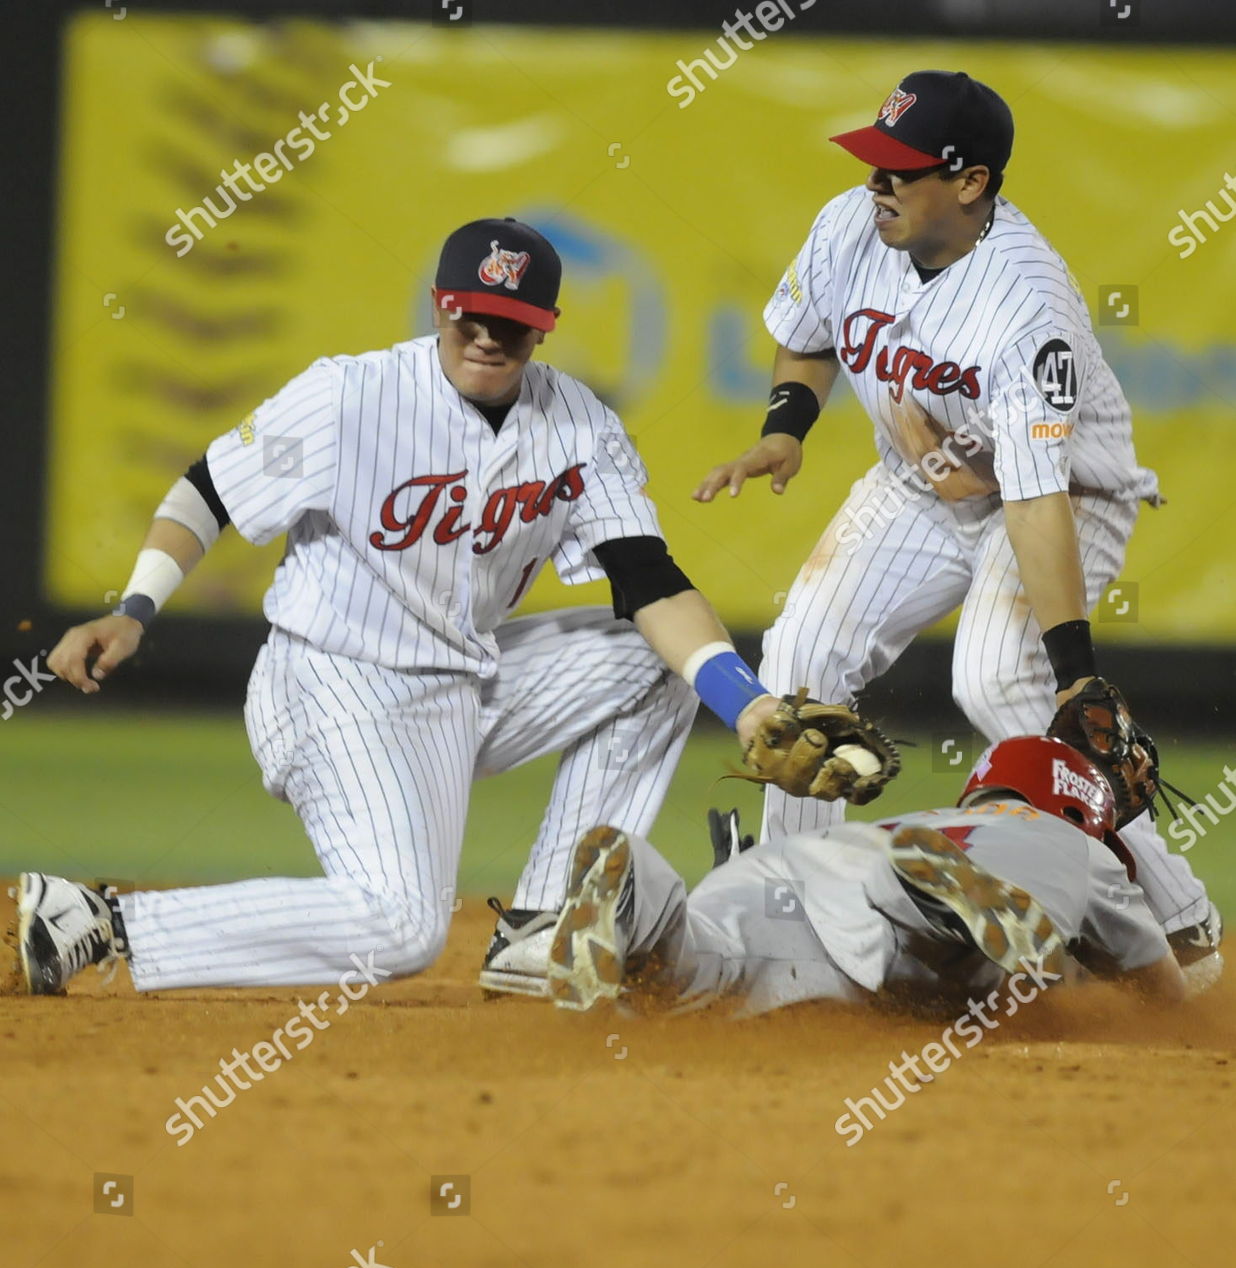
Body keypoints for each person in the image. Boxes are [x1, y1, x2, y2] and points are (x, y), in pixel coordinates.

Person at [19, 218, 804, 998]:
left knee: (658, 661)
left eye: (512, 323)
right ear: (439, 306)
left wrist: (746, 702)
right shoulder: (350, 395)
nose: (488, 337)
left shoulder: (580, 425)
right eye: (472, 315)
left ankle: (541, 929)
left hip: (466, 680)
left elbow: (649, 581)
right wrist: (134, 608)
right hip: (335, 681)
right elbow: (208, 491)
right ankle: (96, 920)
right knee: (401, 928)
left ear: (546, 330)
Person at [692, 69, 1220, 980]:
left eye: (902, 170)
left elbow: (1031, 496)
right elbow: (807, 335)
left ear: (971, 182)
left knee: (996, 683)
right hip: (918, 483)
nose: (877, 183)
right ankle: (798, 912)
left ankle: (1179, 927)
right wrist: (785, 428)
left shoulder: (1022, 302)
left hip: (1062, 495)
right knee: (801, 656)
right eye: (874, 162)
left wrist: (1076, 677)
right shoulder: (851, 226)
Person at [545, 736, 1187, 1017]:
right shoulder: (1072, 844)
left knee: (689, 977)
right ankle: (929, 899)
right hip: (899, 911)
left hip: (789, 867)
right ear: (1076, 806)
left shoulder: (932, 814)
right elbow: (1164, 999)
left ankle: (640, 897)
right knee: (974, 963)